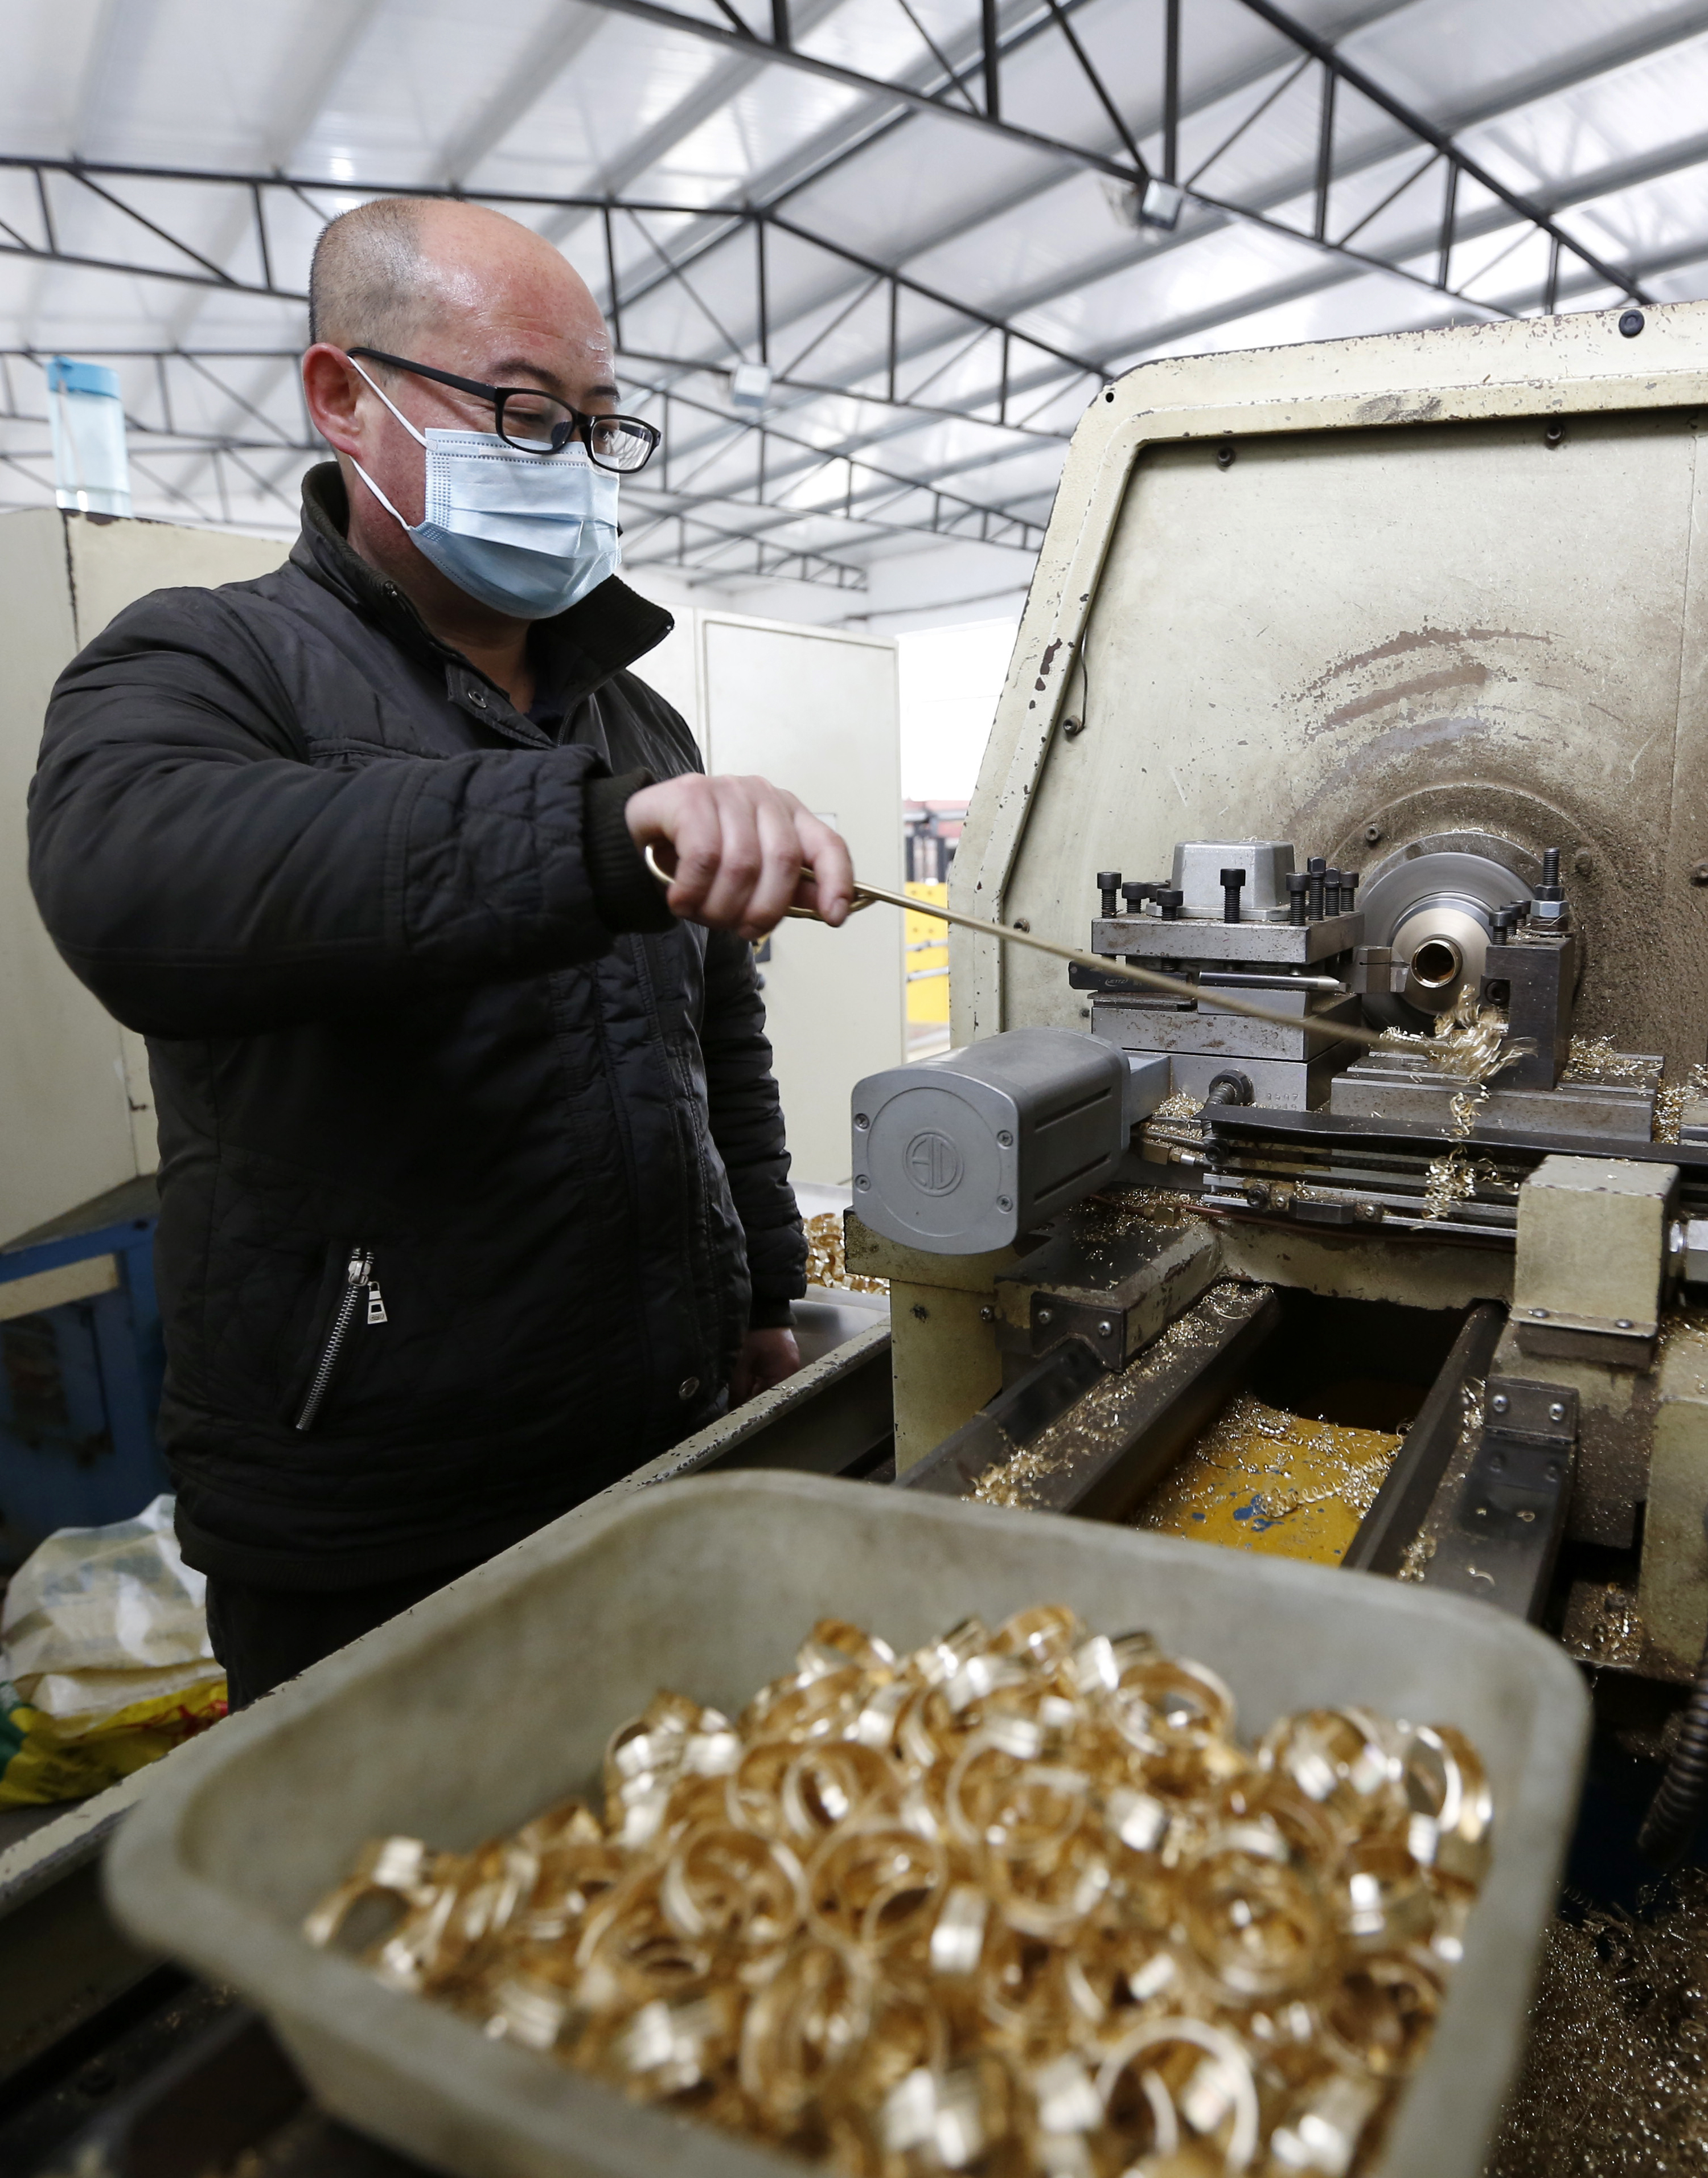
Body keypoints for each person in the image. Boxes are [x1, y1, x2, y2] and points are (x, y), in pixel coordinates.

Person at [27, 196, 854, 1707]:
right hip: (375, 1509)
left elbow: (711, 1045)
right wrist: (586, 838)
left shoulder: (635, 720)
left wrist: (760, 1292)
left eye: (596, 426)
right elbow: (136, 885)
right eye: (523, 413)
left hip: (655, 1445)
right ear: (343, 397)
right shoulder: (204, 661)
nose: (570, 461)